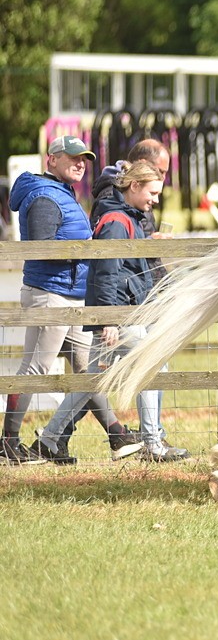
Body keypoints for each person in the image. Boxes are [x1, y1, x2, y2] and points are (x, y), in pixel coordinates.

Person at [34, 158, 188, 463]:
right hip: (119, 316)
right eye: (153, 193)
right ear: (134, 186)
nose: (155, 200)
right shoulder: (117, 221)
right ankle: (153, 443)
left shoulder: (125, 218)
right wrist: (109, 320)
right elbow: (106, 273)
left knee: (91, 381)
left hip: (121, 314)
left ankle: (49, 440)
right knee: (152, 363)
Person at [2, 136, 142, 465]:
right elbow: (41, 247)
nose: (80, 163)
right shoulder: (45, 196)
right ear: (51, 160)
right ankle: (6, 444)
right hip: (50, 295)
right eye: (72, 157)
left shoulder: (63, 192)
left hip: (71, 296)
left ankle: (116, 434)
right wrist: (86, 247)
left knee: (86, 370)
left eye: (84, 159)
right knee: (35, 368)